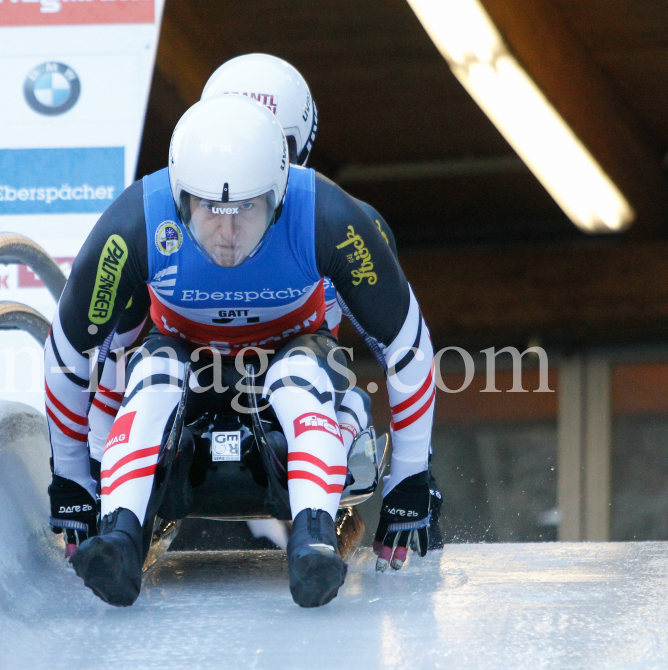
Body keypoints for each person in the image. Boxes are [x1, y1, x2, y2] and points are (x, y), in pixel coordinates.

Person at [45, 94, 437, 608]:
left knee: (300, 376)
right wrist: (72, 479)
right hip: (184, 359)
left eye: (246, 209)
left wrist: (410, 478)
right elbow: (71, 350)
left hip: (294, 353)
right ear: (180, 196)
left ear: (279, 194)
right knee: (152, 371)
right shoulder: (132, 224)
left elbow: (406, 345)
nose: (227, 234)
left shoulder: (329, 217)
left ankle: (313, 537)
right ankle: (120, 535)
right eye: (210, 209)